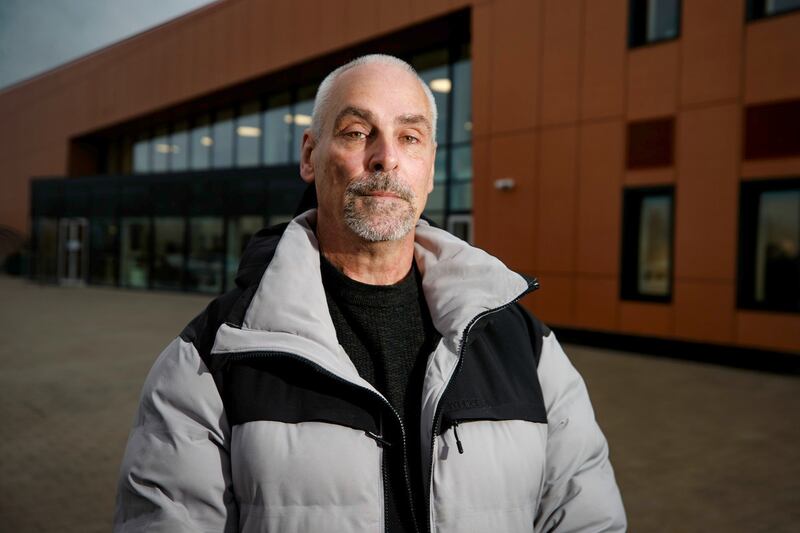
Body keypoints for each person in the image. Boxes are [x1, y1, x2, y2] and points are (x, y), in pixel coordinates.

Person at [114, 54, 626, 533]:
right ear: (311, 156)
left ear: (429, 167)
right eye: (358, 132)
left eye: (409, 137)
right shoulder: (214, 356)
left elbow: (587, 519)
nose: (385, 158)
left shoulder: (527, 349)